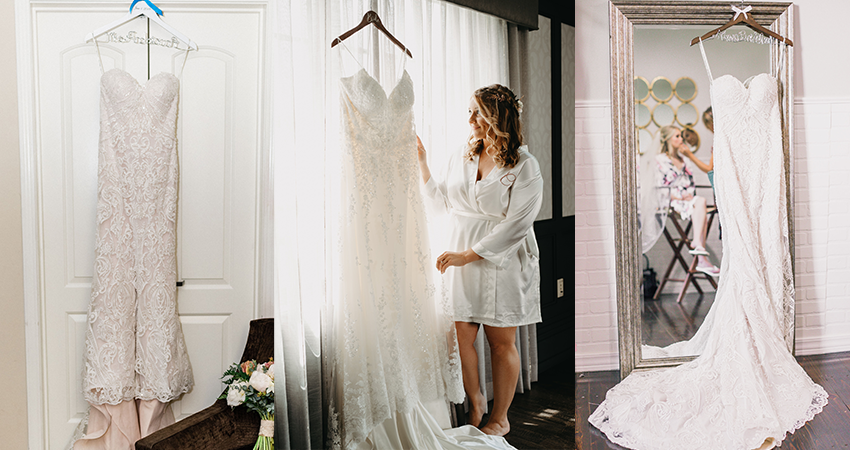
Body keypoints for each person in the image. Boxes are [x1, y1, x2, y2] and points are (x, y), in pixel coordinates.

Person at [416, 84, 543, 437]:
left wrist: (468, 255)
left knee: (501, 343)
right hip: (460, 256)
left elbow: (518, 224)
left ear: (496, 117)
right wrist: (423, 164)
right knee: (459, 336)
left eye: (477, 112)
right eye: (469, 111)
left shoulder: (524, 166)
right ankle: (476, 404)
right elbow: (443, 205)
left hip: (501, 261)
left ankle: (500, 417)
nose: (470, 119)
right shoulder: (462, 155)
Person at [655, 125, 719, 277]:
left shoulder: (685, 160)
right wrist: (678, 196)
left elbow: (691, 182)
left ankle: (699, 248)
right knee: (701, 205)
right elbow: (659, 187)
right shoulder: (659, 161)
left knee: (700, 202)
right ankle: (701, 258)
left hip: (688, 200)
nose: (681, 139)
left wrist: (688, 195)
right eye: (676, 136)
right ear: (667, 139)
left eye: (680, 136)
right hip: (670, 201)